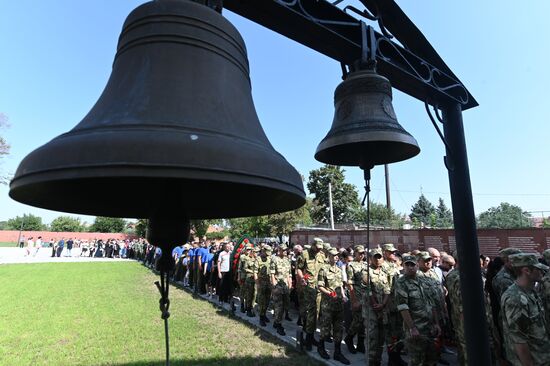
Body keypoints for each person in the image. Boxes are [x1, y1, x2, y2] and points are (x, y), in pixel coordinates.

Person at [501, 253, 550, 366]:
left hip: (542, 357)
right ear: (526, 271)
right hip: (533, 360)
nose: (542, 272)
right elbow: (519, 341)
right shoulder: (515, 299)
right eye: (538, 269)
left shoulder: (530, 292)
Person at [395, 254, 441, 366]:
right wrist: (412, 328)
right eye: (408, 265)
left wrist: (436, 323)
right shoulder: (401, 283)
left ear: (417, 265)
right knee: (417, 361)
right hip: (416, 329)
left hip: (429, 327)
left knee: (431, 359)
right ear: (403, 266)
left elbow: (432, 303)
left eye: (413, 264)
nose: (410, 267)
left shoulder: (424, 281)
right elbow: (403, 308)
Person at [317, 247, 350, 365]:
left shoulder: (339, 268)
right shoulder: (323, 269)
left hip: (339, 304)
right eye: (333, 255)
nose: (336, 257)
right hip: (328, 304)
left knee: (338, 329)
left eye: (337, 255)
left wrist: (343, 295)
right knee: (325, 328)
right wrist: (330, 293)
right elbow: (320, 286)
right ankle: (320, 347)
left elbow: (340, 285)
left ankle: (337, 352)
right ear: (328, 256)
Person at [296, 239, 323, 350]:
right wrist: (302, 278)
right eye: (317, 247)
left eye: (320, 248)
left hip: (319, 288)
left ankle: (310, 337)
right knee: (310, 312)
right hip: (308, 287)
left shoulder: (322, 255)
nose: (319, 249)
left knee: (316, 313)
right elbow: (299, 269)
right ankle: (308, 338)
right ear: (312, 245)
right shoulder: (304, 254)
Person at [381, 243, 405, 364]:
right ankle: (392, 359)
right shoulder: (383, 266)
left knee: (399, 332)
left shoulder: (395, 265)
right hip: (389, 305)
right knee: (390, 333)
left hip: (398, 304)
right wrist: (387, 305)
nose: (393, 254)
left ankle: (397, 356)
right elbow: (385, 288)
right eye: (390, 252)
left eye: (394, 252)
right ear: (384, 252)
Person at [343, 245, 368, 354]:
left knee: (364, 321)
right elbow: (350, 284)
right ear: (355, 253)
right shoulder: (351, 265)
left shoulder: (366, 265)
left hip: (366, 296)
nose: (362, 255)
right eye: (360, 253)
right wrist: (353, 300)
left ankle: (361, 343)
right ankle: (349, 338)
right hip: (356, 295)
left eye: (363, 253)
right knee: (357, 320)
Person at [270, 244, 292, 335]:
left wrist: (290, 283)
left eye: (286, 249)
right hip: (278, 286)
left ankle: (276, 322)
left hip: (286, 286)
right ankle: (279, 325)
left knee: (285, 306)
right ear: (279, 250)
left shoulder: (287, 260)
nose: (285, 251)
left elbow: (289, 273)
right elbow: (272, 273)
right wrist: (274, 285)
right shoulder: (274, 259)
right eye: (283, 250)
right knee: (279, 306)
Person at [256, 245, 272, 326]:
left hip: (269, 283)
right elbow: (255, 272)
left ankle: (264, 314)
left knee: (267, 300)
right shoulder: (258, 259)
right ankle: (261, 318)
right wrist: (257, 284)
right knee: (261, 301)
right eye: (267, 253)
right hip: (261, 282)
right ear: (263, 251)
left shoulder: (270, 258)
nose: (268, 255)